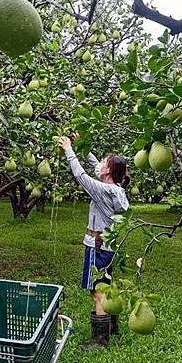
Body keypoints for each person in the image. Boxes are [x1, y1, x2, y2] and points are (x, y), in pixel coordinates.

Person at [59, 135, 130, 351]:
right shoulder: (117, 190)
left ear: (108, 172)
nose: (100, 165)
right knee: (105, 286)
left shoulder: (103, 190)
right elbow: (95, 165)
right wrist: (84, 146)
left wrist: (69, 150)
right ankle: (112, 326)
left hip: (97, 245)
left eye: (104, 163)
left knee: (97, 292)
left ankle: (100, 340)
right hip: (108, 245)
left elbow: (80, 175)